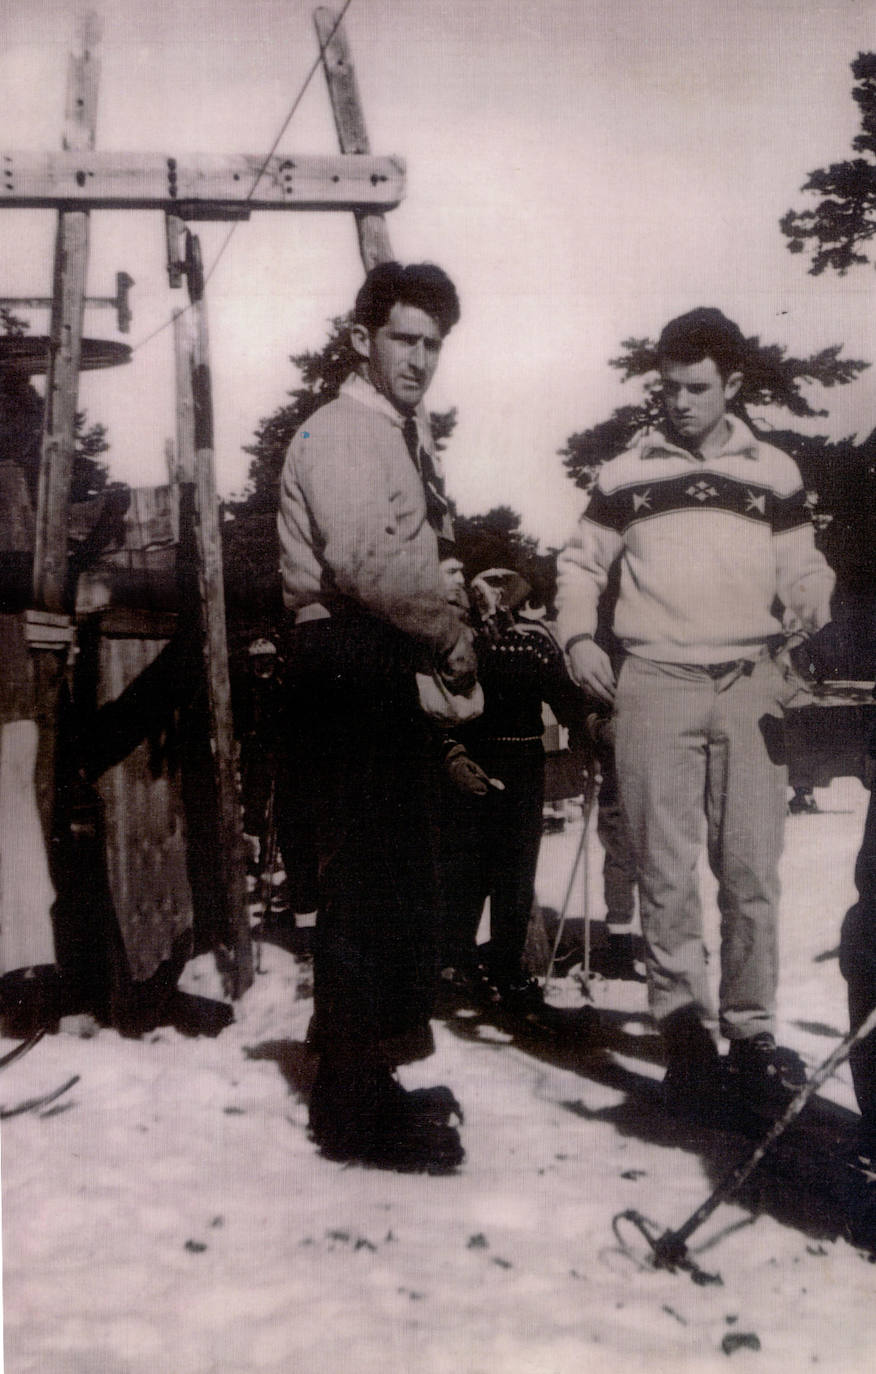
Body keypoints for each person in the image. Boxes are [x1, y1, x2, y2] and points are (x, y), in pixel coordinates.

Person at [556, 307, 837, 1111]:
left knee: (751, 870)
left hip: (751, 681)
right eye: (668, 388)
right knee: (664, 872)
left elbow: (804, 567)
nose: (679, 403)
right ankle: (684, 1035)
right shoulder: (622, 475)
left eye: (697, 387)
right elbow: (579, 566)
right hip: (653, 682)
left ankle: (752, 1038)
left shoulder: (774, 472)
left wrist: (812, 604)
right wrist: (579, 640)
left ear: (732, 385)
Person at [276, 261, 475, 1172]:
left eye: (434, 344)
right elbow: (360, 559)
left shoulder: (388, 432)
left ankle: (366, 1076)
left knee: (390, 877)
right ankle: (352, 1102)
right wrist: (450, 633)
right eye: (405, 338)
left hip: (372, 660)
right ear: (362, 339)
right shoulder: (347, 431)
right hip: (346, 661)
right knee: (366, 880)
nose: (422, 358)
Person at [438, 566, 593, 1016]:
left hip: (524, 764)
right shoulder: (455, 637)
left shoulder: (533, 640)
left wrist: (587, 729)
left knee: (516, 873)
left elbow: (563, 695)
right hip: (470, 764)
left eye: (500, 593)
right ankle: (456, 963)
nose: (491, 600)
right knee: (466, 871)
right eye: (483, 592)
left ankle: (507, 967)